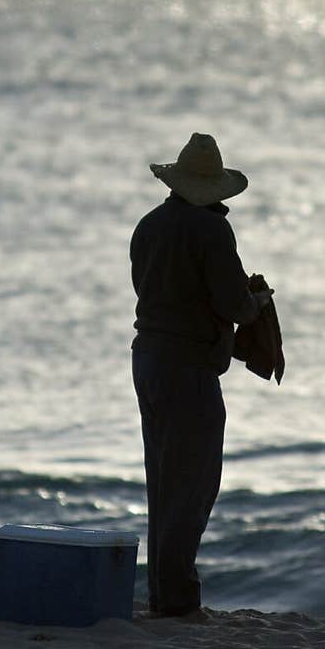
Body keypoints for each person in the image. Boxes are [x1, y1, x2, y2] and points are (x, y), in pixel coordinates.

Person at [129, 132, 272, 619]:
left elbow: (144, 289)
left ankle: (162, 592)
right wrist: (259, 301)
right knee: (194, 480)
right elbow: (234, 305)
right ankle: (178, 597)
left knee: (163, 477)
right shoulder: (212, 232)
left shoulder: (148, 225)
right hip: (187, 366)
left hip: (147, 358)